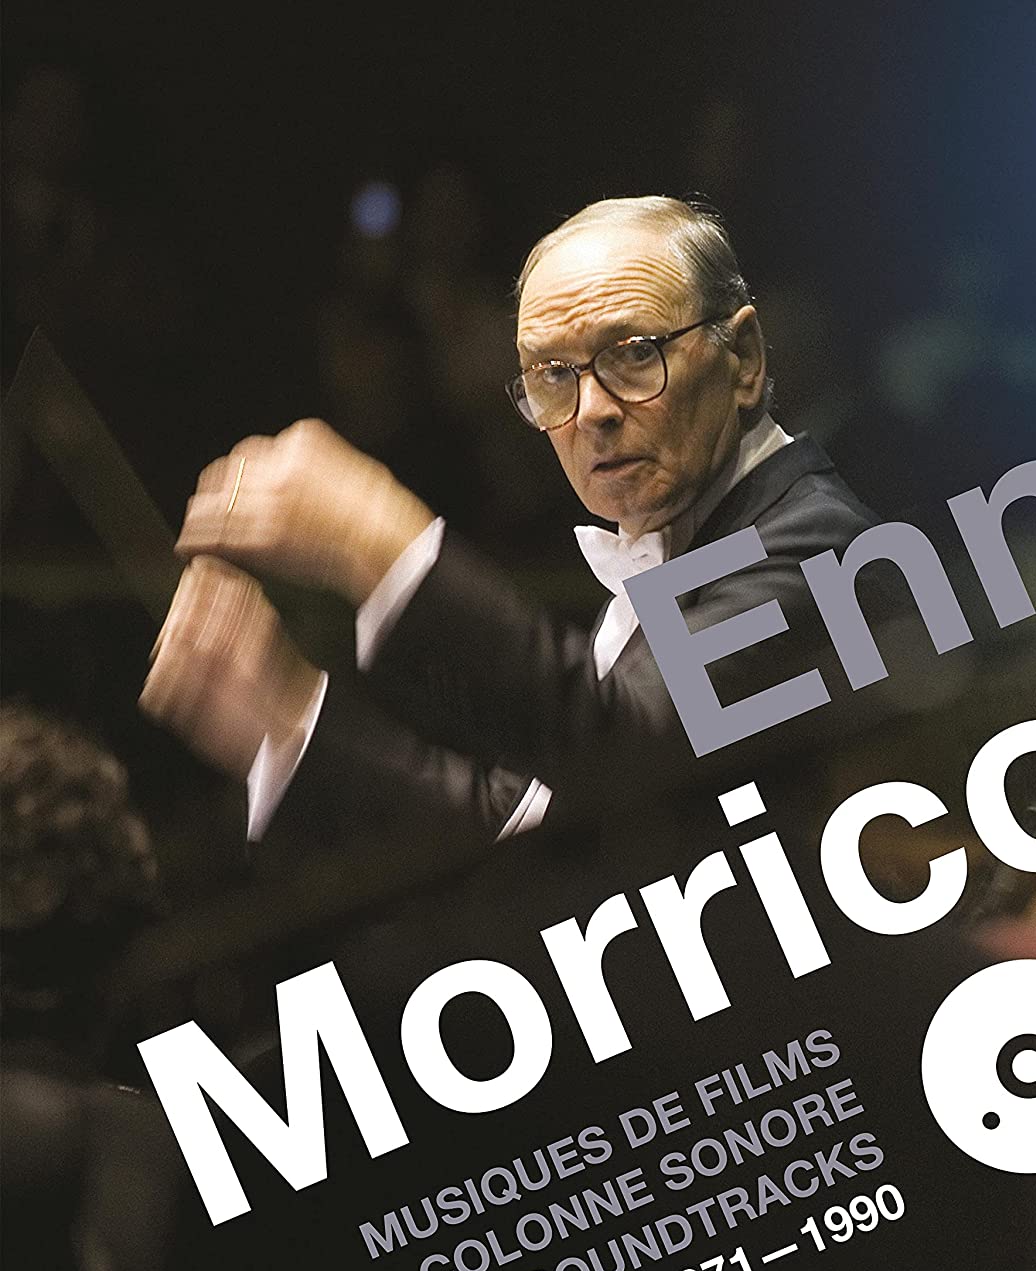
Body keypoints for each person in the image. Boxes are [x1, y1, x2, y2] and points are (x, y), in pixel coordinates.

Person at [139, 196, 884, 853]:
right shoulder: (677, 552)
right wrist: (288, 724)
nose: (591, 411)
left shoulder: (825, 546)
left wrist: (379, 542)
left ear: (743, 360)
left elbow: (626, 768)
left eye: (633, 353)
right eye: (553, 375)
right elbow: (526, 833)